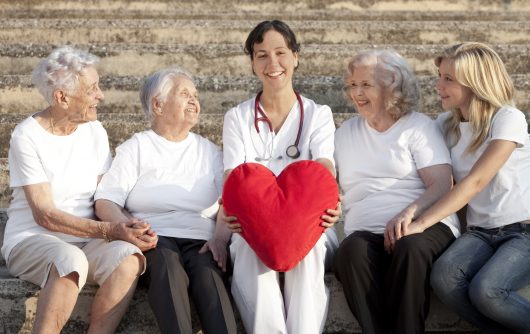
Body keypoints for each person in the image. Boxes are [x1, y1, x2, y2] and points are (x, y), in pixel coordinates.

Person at [1, 46, 156, 333]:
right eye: (93, 89)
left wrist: (127, 226)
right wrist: (108, 231)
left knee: (128, 257)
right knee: (69, 260)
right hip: (33, 239)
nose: (101, 95)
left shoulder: (94, 130)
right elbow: (45, 214)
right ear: (62, 97)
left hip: (87, 241)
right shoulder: (27, 135)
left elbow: (103, 196)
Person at [219, 20, 341, 334]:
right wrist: (228, 220)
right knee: (251, 248)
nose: (272, 64)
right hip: (252, 221)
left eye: (280, 53)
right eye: (261, 55)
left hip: (310, 221)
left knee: (309, 251)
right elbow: (233, 175)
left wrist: (331, 201)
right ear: (252, 64)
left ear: (296, 56)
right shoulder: (238, 117)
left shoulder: (318, 114)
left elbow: (325, 165)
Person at [94, 67, 237, 334]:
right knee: (168, 270)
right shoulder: (137, 147)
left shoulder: (210, 152)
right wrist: (129, 227)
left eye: (195, 94)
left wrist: (219, 238)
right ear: (158, 105)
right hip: (156, 238)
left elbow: (230, 202)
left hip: (202, 240)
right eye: (185, 94)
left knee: (210, 279)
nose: (195, 100)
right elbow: (106, 200)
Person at [333, 49, 460, 334]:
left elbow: (441, 185)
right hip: (365, 232)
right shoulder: (344, 133)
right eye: (353, 85)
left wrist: (409, 215)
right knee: (349, 252)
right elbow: (327, 184)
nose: (357, 93)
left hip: (424, 226)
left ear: (391, 84)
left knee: (409, 247)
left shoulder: (418, 127)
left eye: (366, 84)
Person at [416, 42, 530, 334]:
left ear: (475, 82)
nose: (438, 85)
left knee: (487, 290)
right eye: (439, 76)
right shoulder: (444, 125)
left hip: (524, 230)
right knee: (444, 278)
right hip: (480, 232)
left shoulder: (507, 118)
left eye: (448, 79)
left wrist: (422, 223)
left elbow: (477, 181)